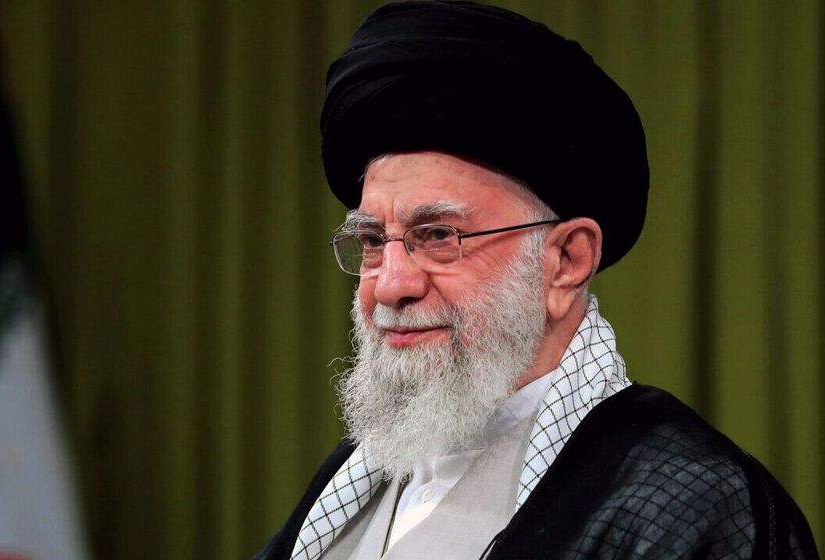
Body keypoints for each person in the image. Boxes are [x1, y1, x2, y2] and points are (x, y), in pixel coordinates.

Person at [255, 2, 817, 559]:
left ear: (566, 261)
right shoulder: (359, 475)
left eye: (438, 236)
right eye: (374, 242)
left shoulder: (689, 502)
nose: (390, 285)